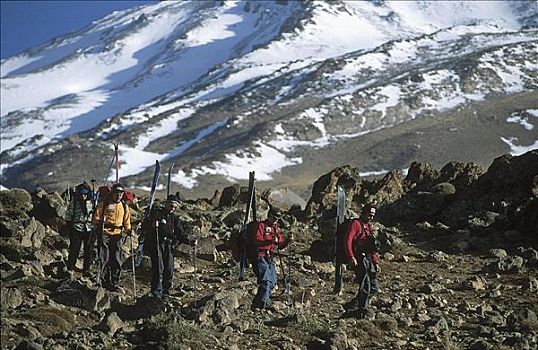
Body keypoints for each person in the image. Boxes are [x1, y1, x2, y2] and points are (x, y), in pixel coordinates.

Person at [142, 194, 195, 301]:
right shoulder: (156, 214)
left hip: (169, 245)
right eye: (171, 206)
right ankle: (156, 292)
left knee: (169, 270)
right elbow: (146, 227)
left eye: (175, 207)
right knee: (158, 268)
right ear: (166, 204)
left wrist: (190, 242)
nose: (172, 209)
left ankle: (166, 293)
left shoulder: (174, 219)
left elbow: (180, 234)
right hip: (157, 244)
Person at [250, 206, 292, 310]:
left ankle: (257, 303)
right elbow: (257, 240)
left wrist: (287, 241)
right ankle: (264, 303)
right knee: (266, 280)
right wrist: (269, 241)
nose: (275, 221)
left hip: (269, 257)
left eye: (278, 219)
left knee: (273, 281)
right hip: (259, 256)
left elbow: (280, 244)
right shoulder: (261, 226)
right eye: (274, 218)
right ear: (269, 216)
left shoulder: (276, 229)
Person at [92, 183, 132, 291]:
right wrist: (97, 226)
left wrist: (129, 230)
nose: (118, 196)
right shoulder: (104, 204)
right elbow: (96, 218)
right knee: (104, 258)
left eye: (120, 194)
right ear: (112, 193)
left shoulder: (124, 207)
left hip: (117, 235)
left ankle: (114, 282)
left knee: (116, 259)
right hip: (104, 234)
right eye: (117, 193)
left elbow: (126, 222)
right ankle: (102, 281)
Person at [343, 205, 380, 319]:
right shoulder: (356, 224)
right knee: (365, 285)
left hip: (368, 259)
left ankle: (353, 304)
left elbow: (371, 246)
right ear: (363, 213)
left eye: (372, 215)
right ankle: (362, 310)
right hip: (359, 258)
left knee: (373, 287)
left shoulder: (368, 227)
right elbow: (348, 239)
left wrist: (376, 262)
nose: (371, 217)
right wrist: (351, 256)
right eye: (369, 215)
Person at [65, 183, 94, 276]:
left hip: (89, 228)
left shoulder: (93, 202)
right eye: (81, 194)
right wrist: (70, 228)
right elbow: (68, 215)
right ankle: (70, 268)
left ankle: (87, 269)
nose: (83, 196)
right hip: (76, 228)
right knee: (74, 249)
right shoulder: (74, 202)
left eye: (85, 194)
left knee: (89, 250)